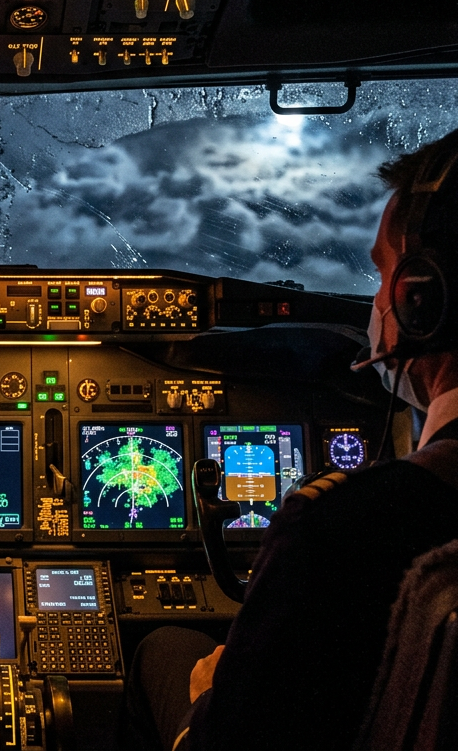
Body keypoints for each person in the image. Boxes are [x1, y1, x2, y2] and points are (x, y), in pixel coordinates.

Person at [123, 130, 458, 751]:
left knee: (168, 648)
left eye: (381, 273)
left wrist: (208, 702)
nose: (375, 300)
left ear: (421, 300)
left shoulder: (340, 528)